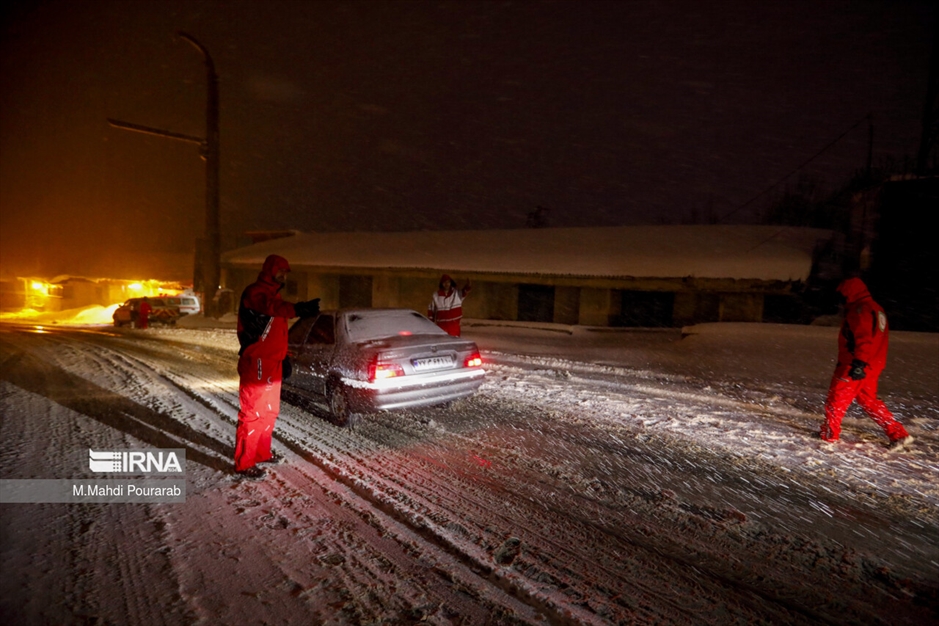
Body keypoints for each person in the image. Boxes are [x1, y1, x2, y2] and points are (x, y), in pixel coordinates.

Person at [235, 254, 320, 478]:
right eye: (280, 271)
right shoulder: (256, 293)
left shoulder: (275, 295)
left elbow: (276, 330)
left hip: (273, 362)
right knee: (253, 412)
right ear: (269, 271)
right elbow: (271, 307)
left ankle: (261, 453)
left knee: (270, 411)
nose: (283, 275)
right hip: (258, 361)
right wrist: (298, 309)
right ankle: (244, 463)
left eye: (286, 272)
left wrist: (283, 357)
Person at [820, 277, 912, 451]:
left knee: (836, 400)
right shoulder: (876, 308)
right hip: (873, 364)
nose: (840, 302)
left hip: (855, 364)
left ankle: (829, 435)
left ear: (849, 294)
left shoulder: (860, 310)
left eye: (841, 296)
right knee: (869, 401)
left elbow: (863, 339)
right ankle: (898, 434)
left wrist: (859, 363)